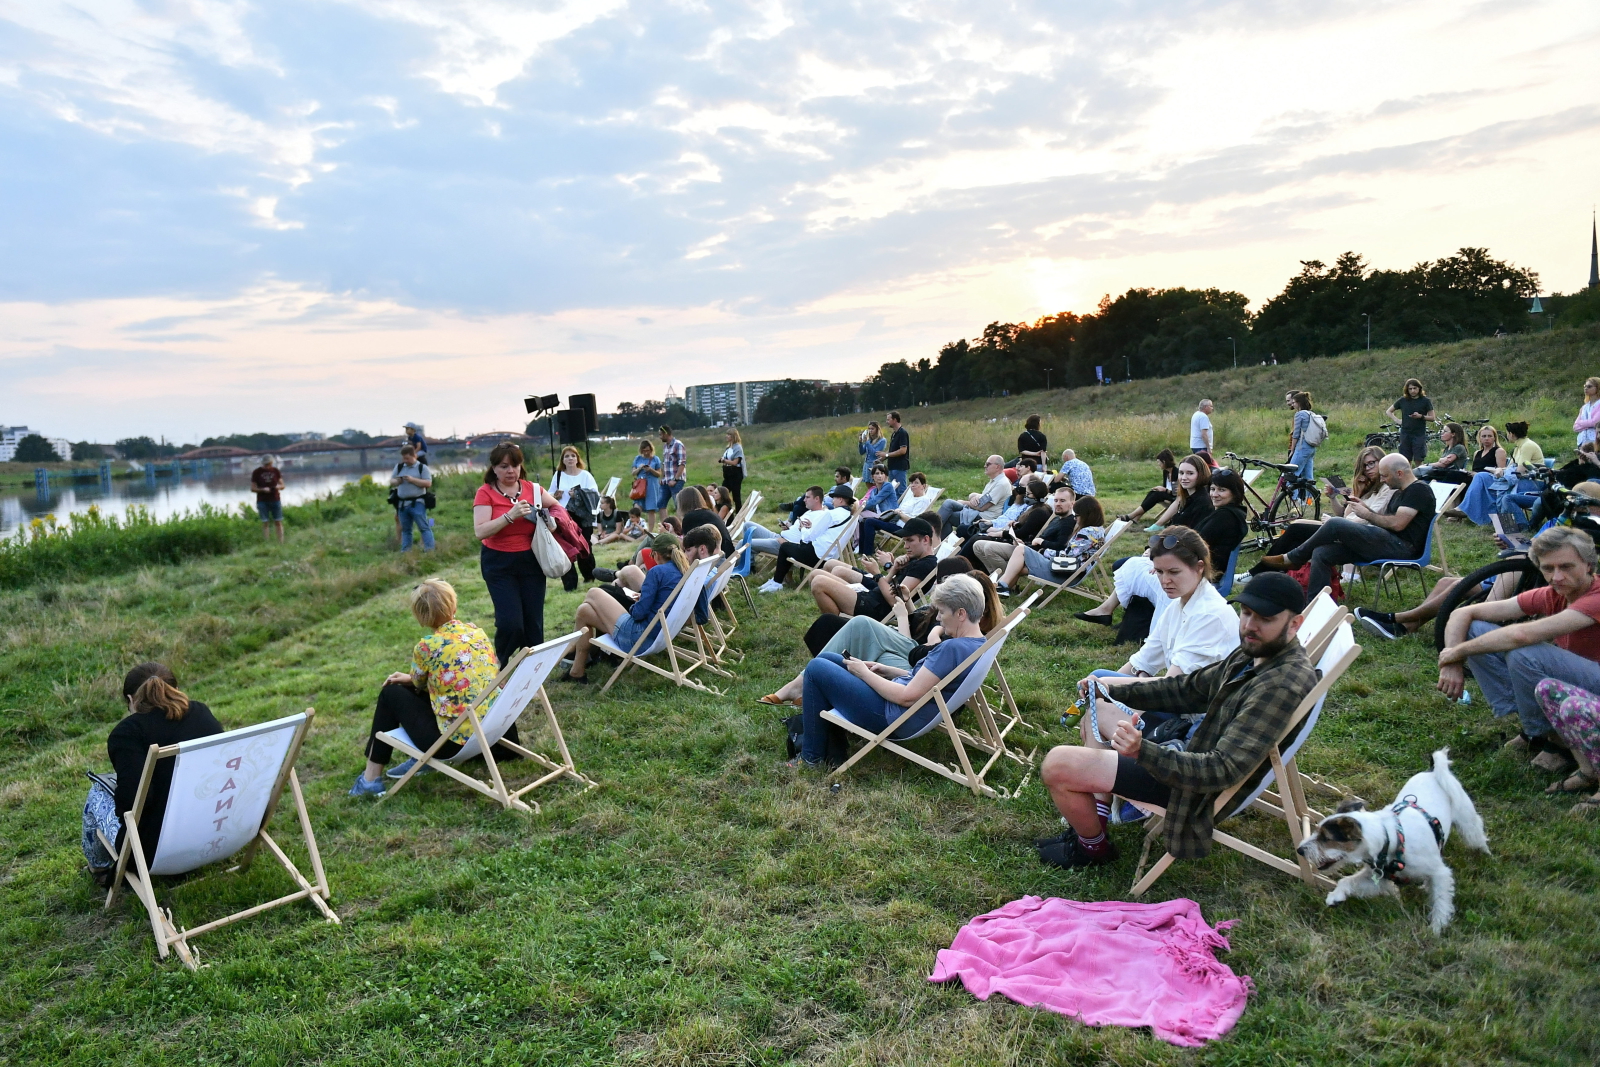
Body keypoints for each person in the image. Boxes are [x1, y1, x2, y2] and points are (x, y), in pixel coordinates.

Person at [1035, 573, 1317, 869]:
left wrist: (1142, 752)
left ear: (1294, 624)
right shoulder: (1256, 652)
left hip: (1190, 787)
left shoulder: (1278, 685)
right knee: (1100, 706)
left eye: (1265, 619)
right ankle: (1095, 825)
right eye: (1246, 613)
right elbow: (1187, 689)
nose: (1249, 626)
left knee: (1058, 765)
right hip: (1188, 752)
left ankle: (1092, 850)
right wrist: (1111, 688)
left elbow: (1221, 770)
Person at [1436, 526, 1600, 777]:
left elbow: (1522, 635)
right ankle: (1535, 727)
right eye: (1548, 568)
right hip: (1579, 679)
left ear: (1589, 565)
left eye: (1566, 567)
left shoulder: (1596, 596)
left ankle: (1556, 743)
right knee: (1476, 628)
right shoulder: (1553, 592)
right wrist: (1451, 661)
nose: (1556, 577)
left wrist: (1456, 652)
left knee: (1525, 652)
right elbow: (1463, 613)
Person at [788, 574, 990, 769]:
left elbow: (906, 698)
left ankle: (811, 758)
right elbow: (928, 684)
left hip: (892, 717)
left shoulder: (951, 649)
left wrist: (864, 674)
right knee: (829, 659)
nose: (938, 618)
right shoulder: (977, 645)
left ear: (961, 614)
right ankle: (831, 745)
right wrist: (887, 670)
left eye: (943, 612)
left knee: (816, 668)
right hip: (904, 710)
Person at [349, 579, 499, 796]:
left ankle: (370, 779)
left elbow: (419, 684)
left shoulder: (427, 646)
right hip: (489, 727)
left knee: (391, 692)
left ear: (421, 617)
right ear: (453, 606)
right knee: (410, 688)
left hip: (453, 743)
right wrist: (410, 679)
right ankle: (414, 761)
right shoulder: (477, 633)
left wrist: (409, 679)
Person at [81, 663, 225, 884]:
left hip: (154, 850)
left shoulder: (128, 733)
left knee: (97, 793)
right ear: (174, 688)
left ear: (130, 699)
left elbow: (133, 802)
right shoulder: (202, 713)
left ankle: (98, 869)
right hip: (218, 828)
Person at [1076, 472, 1246, 641]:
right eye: (1213, 489)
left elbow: (1194, 546)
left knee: (1133, 566)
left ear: (1235, 492)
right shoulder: (1229, 514)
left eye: (1221, 490)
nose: (1215, 494)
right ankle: (1111, 612)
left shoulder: (1225, 517)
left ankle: (1114, 613)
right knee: (1135, 564)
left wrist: (1163, 564)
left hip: (1197, 574)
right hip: (1193, 568)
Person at [1258, 453, 1435, 599]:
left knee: (1336, 524)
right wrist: (1365, 507)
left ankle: (1295, 557)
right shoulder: (1401, 492)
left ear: (1399, 473)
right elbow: (1388, 519)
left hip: (1402, 547)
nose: (1382, 479)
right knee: (1322, 552)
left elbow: (1397, 524)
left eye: (1385, 475)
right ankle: (1315, 606)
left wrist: (1367, 515)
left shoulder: (1418, 490)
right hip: (1386, 541)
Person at [565, 526, 719, 682]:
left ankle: (571, 651)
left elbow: (638, 614)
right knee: (584, 611)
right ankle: (577, 672)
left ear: (656, 555)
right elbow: (701, 616)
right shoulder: (688, 573)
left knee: (593, 593)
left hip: (638, 638)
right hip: (661, 635)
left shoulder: (657, 572)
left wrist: (635, 602)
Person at [472, 443, 561, 666]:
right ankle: (499, 665)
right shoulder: (485, 492)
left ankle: (532, 670)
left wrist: (553, 521)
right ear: (494, 468)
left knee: (533, 623)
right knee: (510, 623)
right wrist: (509, 516)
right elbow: (480, 530)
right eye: (504, 466)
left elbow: (558, 508)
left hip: (531, 560)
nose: (511, 471)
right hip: (499, 563)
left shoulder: (533, 489)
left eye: (515, 465)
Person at [1249, 446, 1393, 575]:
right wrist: (1336, 497)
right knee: (1297, 530)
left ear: (1383, 461)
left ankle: (1260, 572)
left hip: (1358, 534)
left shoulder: (1387, 489)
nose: (1368, 469)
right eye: (1365, 465)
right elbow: (1344, 514)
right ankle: (1271, 573)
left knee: (1297, 528)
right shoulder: (1369, 489)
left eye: (1372, 463)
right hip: (1344, 527)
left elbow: (1370, 517)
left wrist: (1337, 524)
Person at [810, 517, 940, 618]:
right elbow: (889, 587)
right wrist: (894, 569)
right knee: (815, 574)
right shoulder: (916, 559)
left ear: (925, 540)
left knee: (819, 582)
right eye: (905, 541)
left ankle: (836, 627)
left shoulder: (925, 565)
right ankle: (836, 623)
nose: (905, 546)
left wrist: (877, 574)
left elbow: (895, 601)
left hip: (875, 609)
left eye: (910, 540)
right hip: (871, 597)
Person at [992, 493, 1104, 596]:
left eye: (1077, 515)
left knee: (1020, 550)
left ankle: (1001, 586)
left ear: (1087, 515)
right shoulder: (1098, 531)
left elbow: (1067, 555)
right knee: (1018, 565)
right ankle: (1003, 588)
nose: (1075, 519)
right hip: (1068, 569)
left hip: (1064, 572)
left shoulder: (1087, 533)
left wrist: (1044, 551)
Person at [751, 486, 852, 591]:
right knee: (790, 547)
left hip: (815, 556)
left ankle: (777, 582)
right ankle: (778, 581)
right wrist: (810, 527)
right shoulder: (848, 515)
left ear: (840, 499)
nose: (832, 500)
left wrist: (803, 528)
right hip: (826, 557)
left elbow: (808, 537)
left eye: (834, 498)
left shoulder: (831, 514)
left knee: (785, 547)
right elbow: (825, 531)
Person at [1455, 421, 1545, 526]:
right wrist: (1499, 470)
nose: (1507, 436)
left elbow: (1519, 471)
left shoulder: (1527, 446)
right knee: (1481, 476)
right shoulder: (1518, 447)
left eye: (1507, 433)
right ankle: (1480, 514)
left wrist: (1500, 471)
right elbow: (1510, 468)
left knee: (1485, 480)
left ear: (1511, 434)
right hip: (1519, 480)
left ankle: (1477, 514)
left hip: (1531, 483)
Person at [964, 478, 1051, 569]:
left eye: (1028, 494)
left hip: (1021, 544)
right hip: (1015, 539)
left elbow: (1023, 533)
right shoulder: (1035, 509)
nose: (1025, 496)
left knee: (978, 538)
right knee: (976, 537)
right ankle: (982, 570)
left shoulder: (1039, 512)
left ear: (1036, 495)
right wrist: (1015, 524)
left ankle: (1002, 576)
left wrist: (1000, 533)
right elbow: (1026, 527)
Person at [857, 471, 936, 553]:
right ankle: (862, 551)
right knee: (864, 520)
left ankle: (868, 553)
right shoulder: (911, 497)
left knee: (870, 522)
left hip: (903, 527)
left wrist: (900, 514)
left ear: (923, 486)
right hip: (894, 521)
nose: (913, 485)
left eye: (916, 483)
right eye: (912, 483)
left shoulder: (923, 500)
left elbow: (914, 521)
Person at [936, 455, 1011, 534]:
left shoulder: (1001, 484)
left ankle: (929, 532)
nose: (985, 466)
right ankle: (933, 535)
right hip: (978, 512)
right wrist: (974, 496)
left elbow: (982, 506)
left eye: (988, 464)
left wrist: (964, 502)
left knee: (949, 507)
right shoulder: (995, 481)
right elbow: (984, 498)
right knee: (949, 505)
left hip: (984, 517)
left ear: (997, 467)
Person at [1148, 454, 1214, 532]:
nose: (1184, 478)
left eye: (1190, 473)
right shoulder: (1186, 498)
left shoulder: (1203, 503)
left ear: (1201, 474)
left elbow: (1195, 536)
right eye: (1181, 473)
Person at [389, 444, 434, 553]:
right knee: (406, 530)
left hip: (417, 502)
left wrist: (412, 480)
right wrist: (397, 481)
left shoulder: (422, 468)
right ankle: (406, 551)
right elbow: (391, 481)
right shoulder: (399, 467)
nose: (405, 460)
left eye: (407, 458)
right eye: (403, 458)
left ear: (414, 456)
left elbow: (428, 483)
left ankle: (429, 550)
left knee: (424, 527)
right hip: (402, 504)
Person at [1120, 449, 1179, 524]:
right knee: (1153, 492)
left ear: (1164, 462)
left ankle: (1131, 516)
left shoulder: (1176, 472)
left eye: (1159, 462)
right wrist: (1162, 489)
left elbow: (1176, 493)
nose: (1158, 464)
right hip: (1168, 495)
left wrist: (1164, 490)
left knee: (1156, 495)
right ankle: (1136, 518)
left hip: (1176, 498)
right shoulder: (1166, 472)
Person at [1385, 379, 1435, 465]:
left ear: (1419, 388)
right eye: (1410, 389)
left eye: (1415, 388)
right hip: (1405, 433)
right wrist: (1397, 420)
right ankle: (1407, 476)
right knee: (1405, 459)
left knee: (1418, 459)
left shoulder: (1425, 401)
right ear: (1407, 390)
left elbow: (1432, 418)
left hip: (1419, 433)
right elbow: (1389, 411)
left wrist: (1421, 416)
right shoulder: (1403, 400)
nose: (1412, 391)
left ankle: (1419, 476)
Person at [677, 485, 735, 556]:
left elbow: (687, 547)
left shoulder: (690, 518)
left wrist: (671, 535)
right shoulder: (709, 513)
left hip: (717, 561)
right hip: (727, 556)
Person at [1287, 390, 1320, 491]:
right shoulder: (1311, 414)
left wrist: (1292, 450)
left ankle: (1295, 500)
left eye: (1294, 403)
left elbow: (1296, 434)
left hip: (1302, 447)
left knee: (1291, 475)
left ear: (1299, 403)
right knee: (1308, 478)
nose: (1292, 405)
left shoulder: (1299, 414)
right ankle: (1311, 501)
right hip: (1311, 448)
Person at [632, 439, 666, 530]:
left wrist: (650, 469)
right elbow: (633, 473)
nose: (646, 453)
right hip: (640, 485)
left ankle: (650, 531)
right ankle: (635, 529)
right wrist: (640, 468)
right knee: (637, 507)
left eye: (648, 450)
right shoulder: (637, 459)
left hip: (652, 485)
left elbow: (659, 474)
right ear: (641, 450)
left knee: (651, 509)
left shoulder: (655, 459)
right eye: (644, 451)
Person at [251, 454, 285, 543]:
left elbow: (283, 485)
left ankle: (281, 542)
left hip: (275, 499)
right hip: (262, 501)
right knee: (265, 522)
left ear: (272, 463)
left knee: (278, 521)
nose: (267, 466)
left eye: (269, 464)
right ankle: (267, 542)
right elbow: (252, 488)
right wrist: (262, 489)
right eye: (265, 464)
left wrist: (278, 487)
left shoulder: (276, 471)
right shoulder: (256, 472)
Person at [658, 426, 686, 511]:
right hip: (666, 480)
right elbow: (665, 463)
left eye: (661, 435)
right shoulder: (665, 446)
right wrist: (662, 477)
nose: (660, 437)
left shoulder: (678, 445)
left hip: (675, 480)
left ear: (666, 433)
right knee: (660, 504)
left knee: (678, 505)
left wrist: (675, 479)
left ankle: (680, 523)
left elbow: (682, 463)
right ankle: (664, 523)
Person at [884, 410, 911, 495]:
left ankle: (903, 508)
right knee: (894, 490)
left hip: (899, 466)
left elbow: (903, 450)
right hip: (892, 466)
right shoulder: (894, 434)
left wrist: (887, 455)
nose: (887, 422)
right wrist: (882, 458)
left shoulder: (902, 433)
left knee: (901, 490)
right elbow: (892, 450)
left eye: (888, 420)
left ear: (895, 420)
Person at [719, 429, 747, 511]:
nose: (726, 436)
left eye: (729, 435)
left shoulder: (738, 447)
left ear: (733, 436)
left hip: (735, 473)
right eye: (726, 434)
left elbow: (735, 462)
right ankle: (723, 510)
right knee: (722, 492)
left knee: (736, 495)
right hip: (727, 473)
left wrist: (724, 460)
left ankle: (739, 512)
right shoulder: (728, 447)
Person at [1190, 399, 1215, 465]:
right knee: (1204, 466)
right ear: (1206, 407)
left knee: (1198, 464)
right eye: (1211, 406)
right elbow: (1204, 434)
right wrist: (1208, 448)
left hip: (1195, 445)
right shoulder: (1203, 417)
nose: (1212, 408)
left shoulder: (1196, 414)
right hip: (1201, 446)